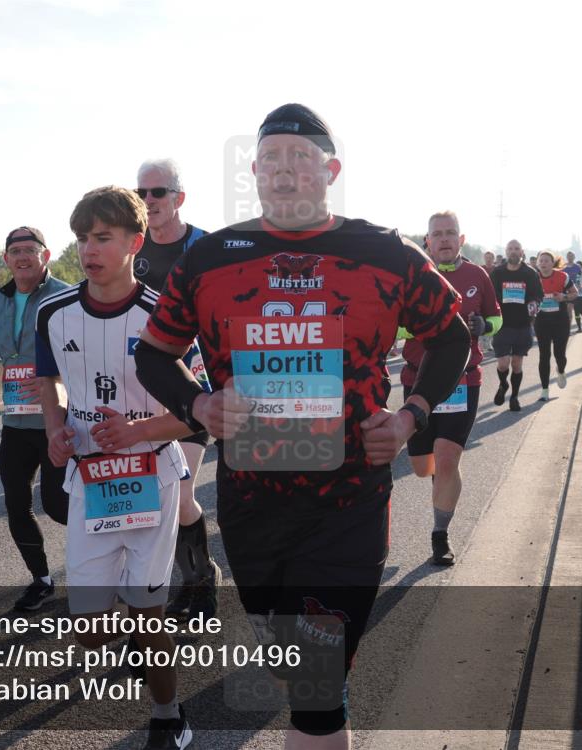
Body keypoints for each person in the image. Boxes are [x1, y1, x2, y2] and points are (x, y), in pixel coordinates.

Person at [134, 103, 469, 749]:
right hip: (251, 504)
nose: (285, 171)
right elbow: (153, 354)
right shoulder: (210, 259)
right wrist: (199, 406)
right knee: (291, 665)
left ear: (330, 171)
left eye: (301, 158)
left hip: (348, 503)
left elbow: (451, 337)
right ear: (255, 172)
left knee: (317, 694)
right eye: (271, 159)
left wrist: (411, 416)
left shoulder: (384, 253)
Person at [36, 186, 194, 749]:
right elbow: (48, 381)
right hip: (89, 481)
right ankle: (137, 635)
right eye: (83, 238)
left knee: (149, 613)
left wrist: (137, 431)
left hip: (151, 476)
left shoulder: (166, 316)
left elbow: (198, 414)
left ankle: (168, 715)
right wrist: (55, 428)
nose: (89, 249)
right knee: (88, 629)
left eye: (102, 238)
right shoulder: (53, 313)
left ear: (135, 242)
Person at [134, 158, 220, 622]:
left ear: (179, 198)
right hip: (144, 386)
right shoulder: (131, 247)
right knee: (155, 499)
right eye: (141, 193)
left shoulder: (205, 247)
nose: (149, 201)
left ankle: (202, 581)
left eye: (158, 192)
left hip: (194, 388)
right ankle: (183, 581)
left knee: (181, 495)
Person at [0, 226, 69, 611]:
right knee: (16, 504)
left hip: (58, 420)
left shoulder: (65, 296)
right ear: (6, 259)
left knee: (60, 506)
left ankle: (102, 566)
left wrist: (55, 380)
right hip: (15, 423)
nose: (23, 256)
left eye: (31, 249)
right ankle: (41, 580)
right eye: (15, 251)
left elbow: (85, 353)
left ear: (45, 255)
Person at [401, 212, 501, 565]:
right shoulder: (413, 275)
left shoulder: (477, 275)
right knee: (422, 465)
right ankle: (442, 481)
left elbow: (496, 317)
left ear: (461, 239)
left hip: (463, 380)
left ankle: (440, 536)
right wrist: (424, 327)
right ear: (427, 240)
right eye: (437, 234)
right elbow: (394, 326)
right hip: (418, 380)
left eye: (450, 233)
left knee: (446, 458)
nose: (444, 239)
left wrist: (483, 325)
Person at [490, 239, 544, 412]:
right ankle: (503, 384)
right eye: (510, 248)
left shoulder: (530, 273)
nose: (513, 251)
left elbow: (538, 294)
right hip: (502, 324)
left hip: (522, 324)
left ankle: (514, 396)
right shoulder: (497, 273)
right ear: (506, 252)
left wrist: (534, 303)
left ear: (522, 252)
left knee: (517, 363)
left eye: (517, 248)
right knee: (503, 363)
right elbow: (489, 295)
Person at [533, 250, 577, 401]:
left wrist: (564, 297)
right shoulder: (534, 278)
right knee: (544, 355)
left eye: (546, 260)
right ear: (538, 263)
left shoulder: (562, 276)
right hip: (542, 321)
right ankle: (545, 390)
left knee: (559, 354)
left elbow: (575, 293)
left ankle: (561, 371)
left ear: (552, 263)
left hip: (560, 321)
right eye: (541, 261)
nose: (543, 263)